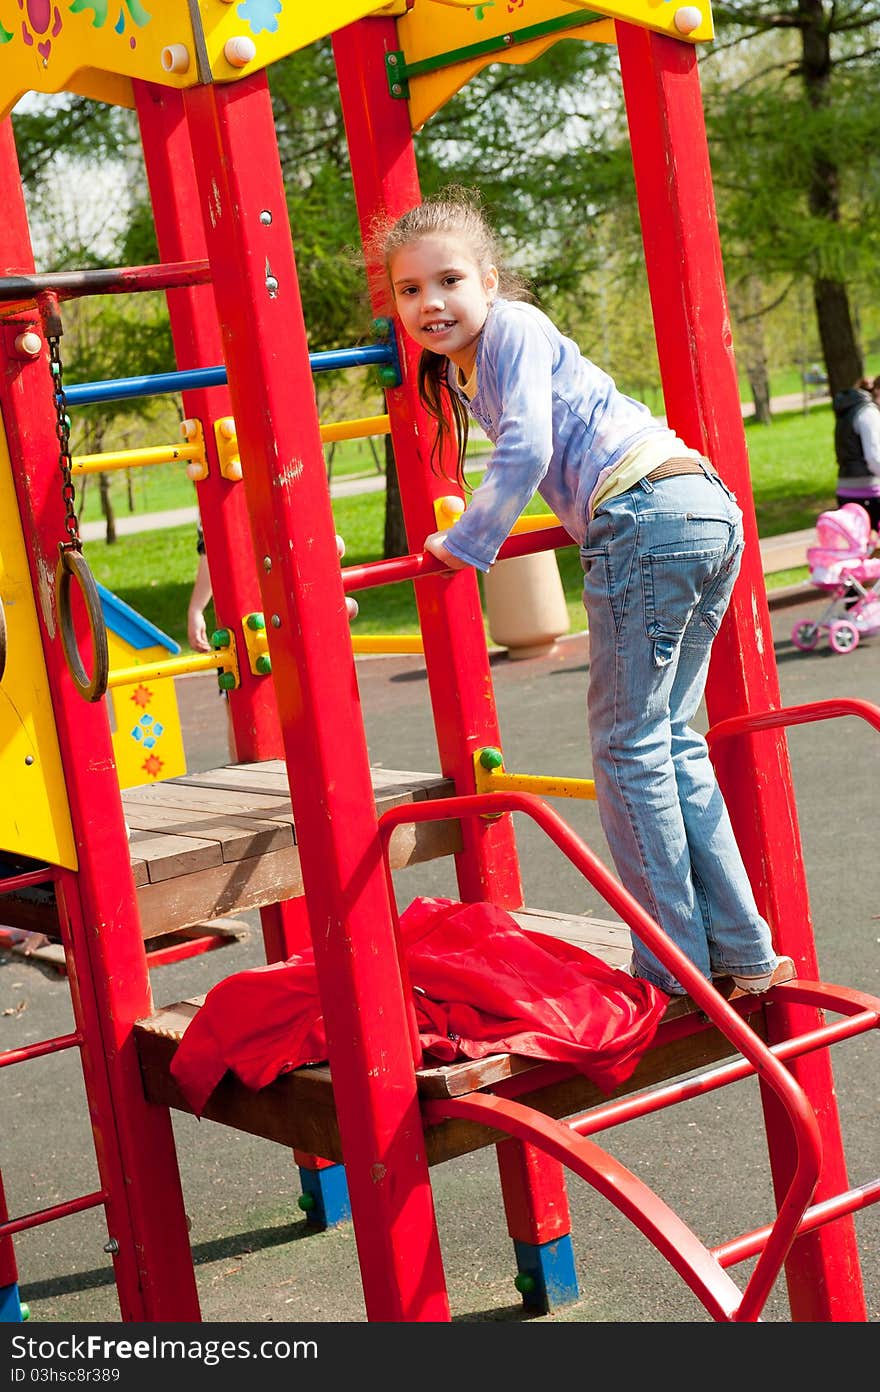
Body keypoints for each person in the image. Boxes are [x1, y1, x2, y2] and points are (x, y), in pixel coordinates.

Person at [381, 187, 780, 997]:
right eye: (409, 290)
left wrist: (464, 545)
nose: (431, 303)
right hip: (697, 510)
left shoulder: (516, 330)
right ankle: (740, 947)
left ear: (491, 282)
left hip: (647, 516)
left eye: (450, 281)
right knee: (669, 740)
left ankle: (673, 967)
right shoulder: (469, 364)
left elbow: (527, 444)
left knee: (627, 749)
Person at [832, 375, 880, 534]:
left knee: (861, 548)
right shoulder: (869, 413)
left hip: (846, 491)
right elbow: (874, 457)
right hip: (869, 492)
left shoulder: (849, 411)